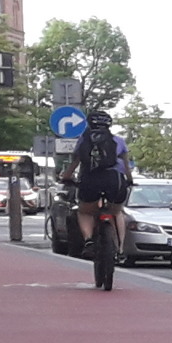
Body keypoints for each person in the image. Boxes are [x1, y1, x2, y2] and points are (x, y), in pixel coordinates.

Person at [63, 109, 132, 290]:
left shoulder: (84, 140)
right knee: (117, 212)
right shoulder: (118, 141)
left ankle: (88, 240)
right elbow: (126, 166)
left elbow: (75, 162)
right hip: (114, 180)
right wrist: (129, 181)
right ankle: (120, 249)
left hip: (90, 180)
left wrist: (67, 177)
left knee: (85, 211)